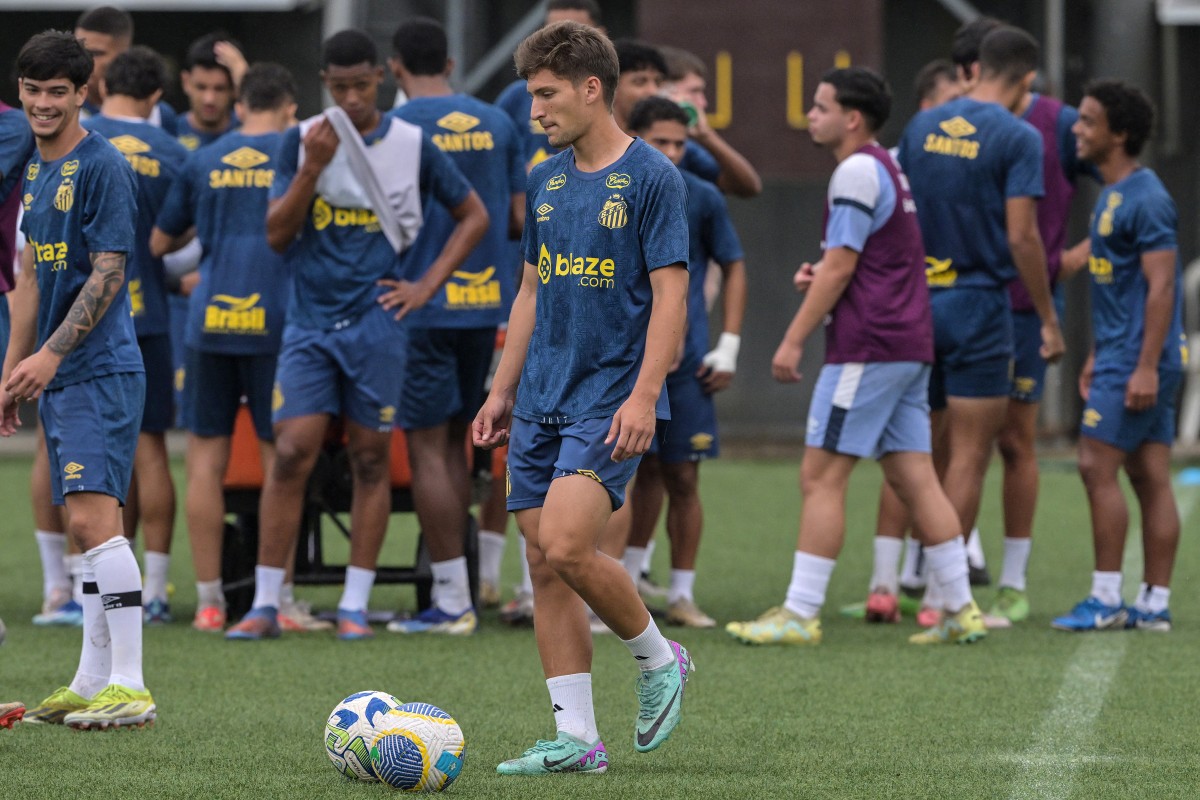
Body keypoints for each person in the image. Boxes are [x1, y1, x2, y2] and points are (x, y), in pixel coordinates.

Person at [474, 20, 693, 775]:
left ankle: (660, 659)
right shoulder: (545, 177)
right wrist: (502, 389)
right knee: (544, 563)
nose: (534, 111)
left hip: (610, 396)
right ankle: (576, 740)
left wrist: (644, 395)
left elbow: (672, 299)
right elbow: (533, 286)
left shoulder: (654, 177)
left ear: (592, 88)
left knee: (569, 543)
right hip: (540, 396)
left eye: (545, 94)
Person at [223, 29, 486, 642]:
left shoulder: (412, 143)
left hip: (379, 324)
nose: (350, 97)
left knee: (371, 459)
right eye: (338, 87)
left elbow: (473, 215)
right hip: (309, 323)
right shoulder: (302, 140)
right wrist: (312, 167)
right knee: (291, 453)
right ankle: (267, 601)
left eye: (361, 85)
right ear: (324, 84)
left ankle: (354, 606)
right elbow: (276, 234)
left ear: (380, 79)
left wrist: (424, 286)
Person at [725, 67, 985, 647]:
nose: (810, 116)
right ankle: (959, 609)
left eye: (819, 107)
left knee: (820, 477)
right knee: (917, 477)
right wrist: (822, 274)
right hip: (907, 343)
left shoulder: (856, 170)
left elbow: (844, 266)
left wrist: (794, 337)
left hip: (870, 347)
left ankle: (799, 612)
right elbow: (864, 261)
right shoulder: (884, 165)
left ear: (852, 118)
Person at [873, 26, 1065, 626]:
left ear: (972, 69)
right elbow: (1022, 236)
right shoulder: (1019, 135)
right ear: (1027, 78)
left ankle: (889, 582)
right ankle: (940, 596)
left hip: (919, 306)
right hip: (982, 306)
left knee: (915, 448)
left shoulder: (922, 126)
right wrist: (1050, 318)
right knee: (969, 455)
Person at [2, 30, 153, 728]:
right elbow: (30, 275)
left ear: (81, 92)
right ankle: (93, 678)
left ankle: (131, 684)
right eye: (32, 91)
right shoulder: (35, 169)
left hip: (99, 368)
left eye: (56, 92)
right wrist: (12, 370)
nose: (41, 104)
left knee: (96, 518)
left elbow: (110, 270)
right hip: (60, 375)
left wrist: (53, 356)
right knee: (80, 526)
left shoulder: (104, 166)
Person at [151, 63, 312, 633]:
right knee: (279, 461)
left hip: (209, 317)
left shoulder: (203, 157)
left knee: (204, 459)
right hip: (278, 315)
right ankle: (281, 597)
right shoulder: (299, 155)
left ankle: (210, 601)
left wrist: (210, 237)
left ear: (240, 104)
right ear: (290, 107)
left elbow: (160, 240)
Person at [384, 17, 525, 635]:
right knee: (464, 443)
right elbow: (519, 217)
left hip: (419, 305)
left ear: (395, 69)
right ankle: (473, 585)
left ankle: (451, 601)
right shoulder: (497, 121)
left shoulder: (395, 128)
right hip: (488, 305)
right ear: (449, 61)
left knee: (427, 447)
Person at [1052, 80, 1184, 633]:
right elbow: (1119, 287)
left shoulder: (1148, 197)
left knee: (1093, 466)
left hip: (1137, 359)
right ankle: (1152, 604)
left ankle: (1106, 599)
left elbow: (1161, 287)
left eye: (1087, 120)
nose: (1077, 129)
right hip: (1122, 354)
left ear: (1119, 133)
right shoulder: (1113, 193)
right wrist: (1097, 354)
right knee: (1150, 474)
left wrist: (1145, 365)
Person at [623, 96, 747, 628]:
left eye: (681, 142)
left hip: (687, 365)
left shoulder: (700, 195)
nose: (672, 152)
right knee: (632, 475)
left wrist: (729, 344)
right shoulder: (614, 190)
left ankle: (681, 594)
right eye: (661, 142)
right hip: (626, 362)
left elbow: (733, 263)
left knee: (684, 479)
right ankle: (625, 587)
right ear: (636, 139)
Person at [83, 46, 189, 624]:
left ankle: (82, 591)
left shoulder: (79, 142)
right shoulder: (175, 153)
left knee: (85, 454)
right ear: (156, 99)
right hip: (146, 317)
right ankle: (162, 586)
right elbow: (177, 243)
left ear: (100, 88)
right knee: (150, 451)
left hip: (82, 319)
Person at [495, 0, 604, 172]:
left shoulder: (614, 95)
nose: (560, 46)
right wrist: (524, 173)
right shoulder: (515, 97)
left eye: (574, 36)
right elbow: (495, 157)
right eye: (553, 35)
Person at [658, 45, 763, 198]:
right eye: (694, 91)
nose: (703, 103)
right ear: (663, 90)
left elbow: (749, 187)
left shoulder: (687, 150)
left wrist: (706, 135)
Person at [74, 6, 177, 133]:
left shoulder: (158, 115)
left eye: (96, 53)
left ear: (124, 54)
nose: (84, 59)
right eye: (79, 50)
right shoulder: (64, 109)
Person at [175, 33, 245, 152]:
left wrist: (243, 73)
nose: (209, 99)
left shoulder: (247, 131)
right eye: (201, 87)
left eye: (219, 89)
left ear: (234, 88)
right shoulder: (170, 131)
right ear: (186, 82)